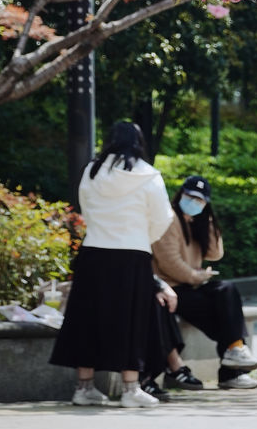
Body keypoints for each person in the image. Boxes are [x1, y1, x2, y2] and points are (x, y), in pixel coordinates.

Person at [50, 120, 174, 408]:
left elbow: (85, 209)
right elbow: (162, 218)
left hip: (93, 251)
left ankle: (84, 387)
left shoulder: (91, 172)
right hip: (132, 254)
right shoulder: (148, 176)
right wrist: (142, 236)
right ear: (139, 142)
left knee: (87, 319)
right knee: (131, 320)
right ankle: (130, 389)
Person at [152, 175, 257, 390]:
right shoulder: (169, 218)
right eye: (190, 197)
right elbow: (169, 262)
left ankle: (234, 354)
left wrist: (208, 221)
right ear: (180, 194)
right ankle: (231, 371)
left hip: (190, 287)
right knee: (223, 315)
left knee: (226, 291)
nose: (194, 203)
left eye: (200, 201)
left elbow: (215, 253)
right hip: (170, 289)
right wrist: (197, 276)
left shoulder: (197, 221)